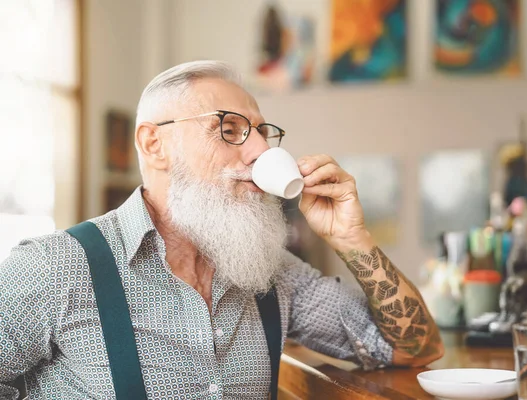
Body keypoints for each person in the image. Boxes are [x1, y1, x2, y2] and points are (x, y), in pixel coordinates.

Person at [0, 61, 443, 399]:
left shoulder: (273, 274)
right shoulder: (54, 267)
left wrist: (352, 238)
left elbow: (415, 348)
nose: (258, 150)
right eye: (229, 129)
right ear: (155, 144)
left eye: (262, 133)